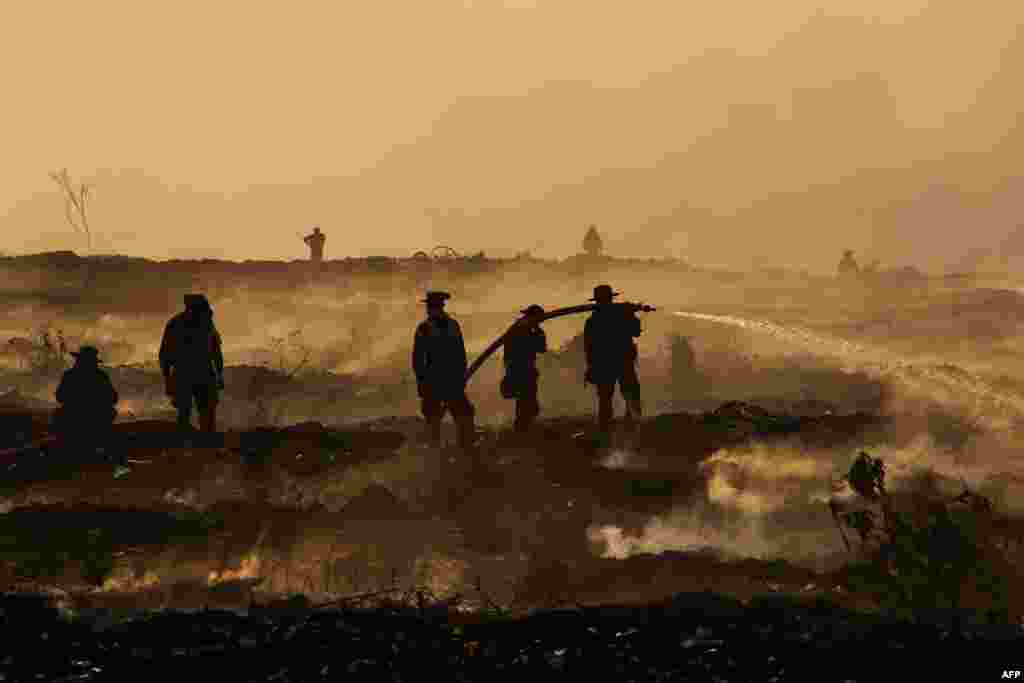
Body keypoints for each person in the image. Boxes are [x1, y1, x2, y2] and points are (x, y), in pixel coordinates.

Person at [412, 291, 476, 450]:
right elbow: (418, 360)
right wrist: (422, 383)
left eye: (431, 306)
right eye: (431, 307)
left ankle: (465, 447)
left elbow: (460, 354)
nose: (429, 310)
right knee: (437, 418)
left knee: (463, 415)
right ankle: (442, 449)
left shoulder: (441, 326)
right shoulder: (427, 328)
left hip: (447, 380)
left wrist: (461, 376)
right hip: (437, 381)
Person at [159, 294, 225, 435]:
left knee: (206, 415)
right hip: (185, 375)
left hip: (201, 374)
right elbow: (165, 355)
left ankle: (205, 444)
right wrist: (168, 381)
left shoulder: (205, 322)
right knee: (186, 413)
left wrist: (219, 375)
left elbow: (216, 352)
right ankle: (187, 445)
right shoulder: (177, 324)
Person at [583, 284, 643, 433]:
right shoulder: (621, 314)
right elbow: (636, 331)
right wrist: (631, 314)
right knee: (630, 393)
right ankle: (632, 425)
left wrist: (591, 366)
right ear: (611, 298)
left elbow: (588, 347)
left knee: (606, 397)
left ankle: (607, 427)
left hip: (603, 363)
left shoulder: (592, 320)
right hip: (621, 361)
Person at [53, 345, 119, 457]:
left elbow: (60, 397)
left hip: (72, 418)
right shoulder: (101, 377)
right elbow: (113, 398)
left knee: (59, 416)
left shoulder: (69, 376)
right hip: (98, 419)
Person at [502, 304, 547, 432]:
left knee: (525, 402)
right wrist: (539, 332)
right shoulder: (523, 329)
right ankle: (522, 429)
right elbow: (540, 348)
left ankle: (523, 428)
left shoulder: (521, 327)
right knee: (526, 402)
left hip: (521, 370)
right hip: (522, 371)